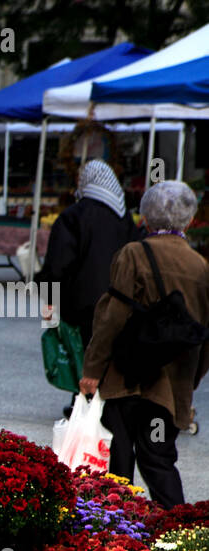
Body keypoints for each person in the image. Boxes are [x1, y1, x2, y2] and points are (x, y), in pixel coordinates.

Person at [80, 181, 209, 508]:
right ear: (189, 220)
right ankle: (177, 530)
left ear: (146, 219)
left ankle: (114, 534)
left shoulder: (133, 254)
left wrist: (92, 369)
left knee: (118, 459)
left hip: (127, 378)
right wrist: (190, 382)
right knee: (159, 460)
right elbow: (204, 334)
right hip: (168, 386)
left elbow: (113, 317)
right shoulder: (200, 267)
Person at [40, 160, 144, 348]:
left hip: (80, 314)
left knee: (82, 370)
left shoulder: (73, 216)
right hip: (121, 312)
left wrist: (49, 315)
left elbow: (56, 269)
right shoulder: (126, 220)